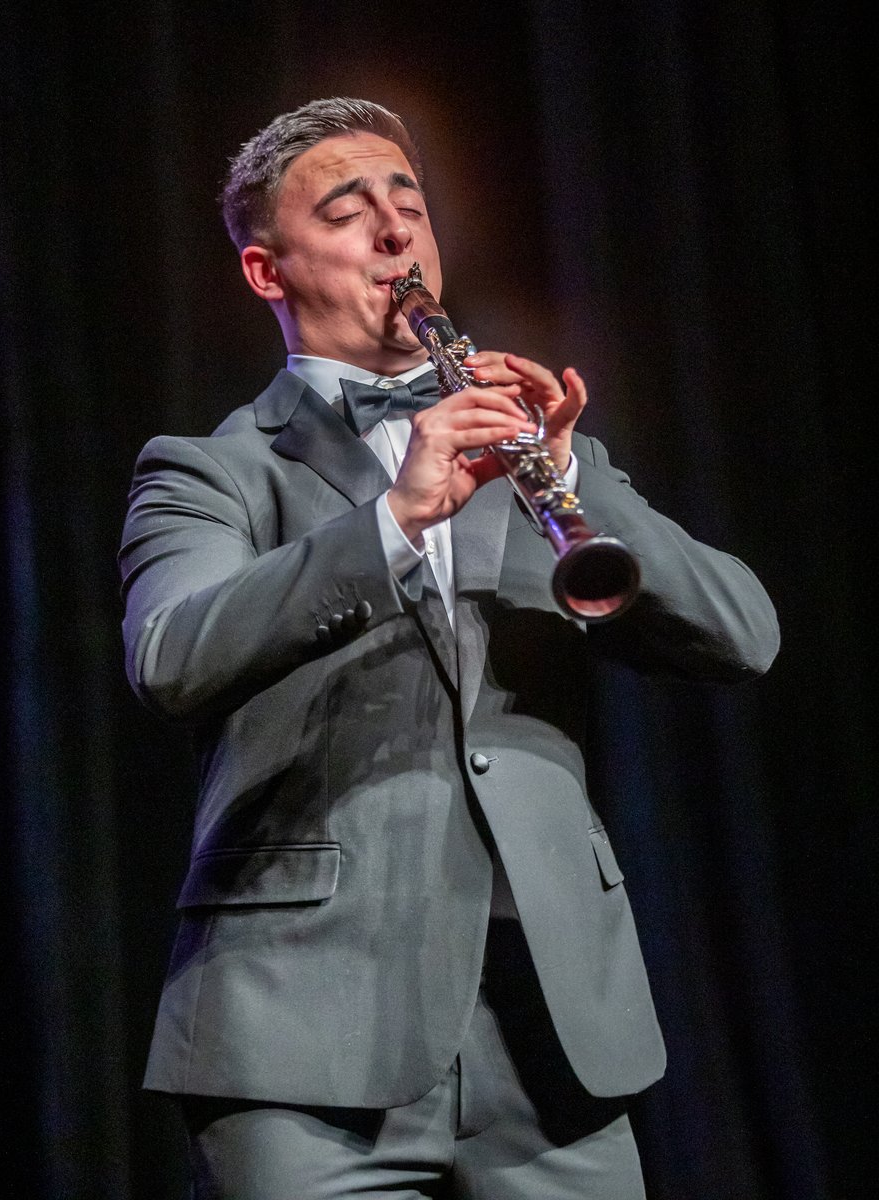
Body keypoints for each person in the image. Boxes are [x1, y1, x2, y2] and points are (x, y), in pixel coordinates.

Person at [119, 98, 779, 1199]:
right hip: (307, 1036)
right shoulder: (207, 469)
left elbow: (744, 634)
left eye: (409, 205)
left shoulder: (531, 450)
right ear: (266, 272)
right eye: (348, 211)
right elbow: (172, 654)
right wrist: (390, 523)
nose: (396, 235)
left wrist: (572, 494)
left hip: (553, 1028)